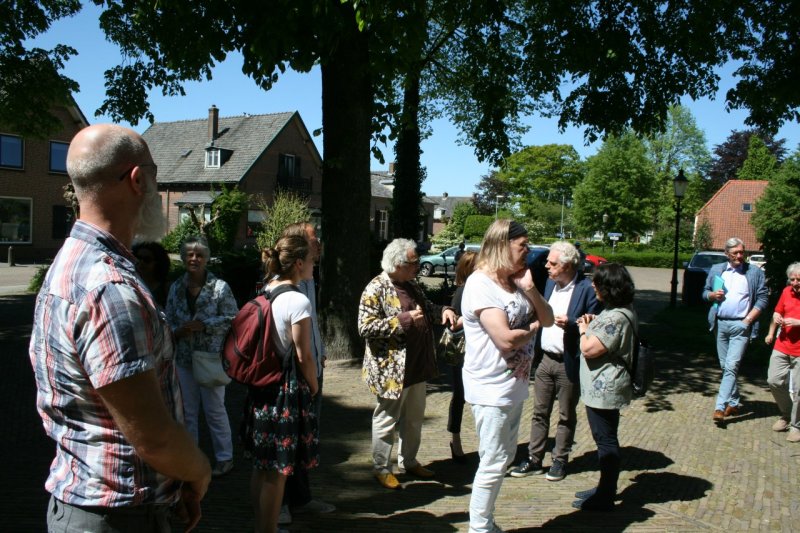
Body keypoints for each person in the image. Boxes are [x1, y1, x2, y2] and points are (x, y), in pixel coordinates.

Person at [29, 124, 211, 532]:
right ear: (138, 179)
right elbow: (153, 438)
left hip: (87, 505)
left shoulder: (70, 262)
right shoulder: (109, 289)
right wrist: (199, 470)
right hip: (119, 517)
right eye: (155, 175)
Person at [461, 220, 553, 533]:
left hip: (514, 385)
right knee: (493, 460)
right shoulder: (480, 284)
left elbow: (549, 318)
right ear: (502, 245)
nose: (528, 251)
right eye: (522, 245)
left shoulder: (514, 281)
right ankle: (479, 528)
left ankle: (485, 523)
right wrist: (533, 326)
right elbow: (505, 339)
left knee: (504, 457)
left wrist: (530, 289)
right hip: (491, 388)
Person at [358, 238, 457, 490]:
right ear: (398, 264)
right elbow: (365, 327)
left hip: (417, 365)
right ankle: (382, 468)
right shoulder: (376, 288)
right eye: (414, 262)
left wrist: (443, 311)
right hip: (391, 371)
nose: (418, 266)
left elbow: (427, 308)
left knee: (414, 418)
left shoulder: (411, 284)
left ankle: (409, 461)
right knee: (386, 419)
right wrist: (403, 320)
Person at [243, 235, 320, 533]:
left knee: (260, 464)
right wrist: (313, 385)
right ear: (299, 263)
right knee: (278, 469)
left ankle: (260, 526)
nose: (314, 264)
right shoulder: (298, 300)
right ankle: (268, 529)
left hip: (260, 387)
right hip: (284, 393)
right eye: (311, 260)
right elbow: (303, 355)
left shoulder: (266, 290)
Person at [511, 241, 602, 482]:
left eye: (552, 263)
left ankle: (560, 460)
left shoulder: (586, 289)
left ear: (568, 265)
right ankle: (534, 459)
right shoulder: (549, 283)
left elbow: (596, 324)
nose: (546, 266)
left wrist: (572, 323)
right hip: (545, 360)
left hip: (569, 361)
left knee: (566, 414)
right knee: (539, 412)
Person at [275, 223, 335, 525]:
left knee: (305, 439)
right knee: (288, 440)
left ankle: (301, 498)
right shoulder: (285, 285)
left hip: (312, 369)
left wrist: (319, 351)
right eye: (314, 240)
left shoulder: (309, 278)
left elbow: (310, 324)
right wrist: (312, 378)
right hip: (294, 377)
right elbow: (294, 343)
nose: (319, 245)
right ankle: (281, 504)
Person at [166, 236, 238, 478]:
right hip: (184, 358)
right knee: (187, 412)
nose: (194, 259)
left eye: (199, 255)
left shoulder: (220, 288)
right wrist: (177, 331)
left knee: (214, 409)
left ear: (207, 258)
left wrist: (205, 325)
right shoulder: (176, 287)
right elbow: (167, 318)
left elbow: (233, 318)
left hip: (210, 358)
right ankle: (191, 460)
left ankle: (224, 458)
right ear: (183, 257)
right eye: (189, 254)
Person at [573, 263, 637, 512]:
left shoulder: (615, 317)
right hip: (605, 387)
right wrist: (594, 322)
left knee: (606, 441)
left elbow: (589, 349)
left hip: (605, 389)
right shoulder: (619, 311)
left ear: (609, 287)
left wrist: (583, 330)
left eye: (597, 282)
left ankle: (606, 495)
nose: (593, 286)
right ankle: (603, 487)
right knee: (606, 437)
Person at [703, 237, 768, 423]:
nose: (740, 256)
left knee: (731, 366)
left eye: (742, 252)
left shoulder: (754, 272)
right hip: (720, 324)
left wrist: (748, 320)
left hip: (741, 326)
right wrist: (711, 295)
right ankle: (734, 401)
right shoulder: (717, 270)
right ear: (727, 254)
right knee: (725, 366)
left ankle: (720, 407)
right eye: (735, 253)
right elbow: (705, 292)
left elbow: (763, 298)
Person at [448, 249, 479, 462]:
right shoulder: (463, 291)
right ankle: (455, 438)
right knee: (460, 394)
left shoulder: (480, 289)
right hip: (463, 352)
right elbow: (453, 324)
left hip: (477, 351)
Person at [764, 262, 800, 443]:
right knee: (774, 380)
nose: (795, 283)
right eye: (792, 279)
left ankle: (796, 425)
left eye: (798, 279)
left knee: (799, 389)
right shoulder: (786, 292)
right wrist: (771, 332)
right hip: (782, 345)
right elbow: (777, 313)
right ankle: (787, 413)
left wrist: (798, 322)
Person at [133, 240, 172, 307]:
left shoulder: (167, 288)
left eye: (147, 260)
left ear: (158, 263)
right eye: (138, 258)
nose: (141, 262)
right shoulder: (131, 282)